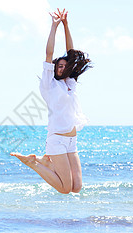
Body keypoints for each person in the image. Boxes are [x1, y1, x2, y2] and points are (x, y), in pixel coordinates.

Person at [11, 8, 92, 194]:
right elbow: (49, 54)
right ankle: (35, 163)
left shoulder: (69, 83)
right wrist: (54, 26)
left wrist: (66, 25)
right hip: (57, 140)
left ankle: (45, 161)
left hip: (72, 140)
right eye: (59, 66)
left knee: (76, 188)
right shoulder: (49, 85)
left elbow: (71, 54)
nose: (62, 68)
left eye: (65, 66)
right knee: (64, 189)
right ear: (55, 68)